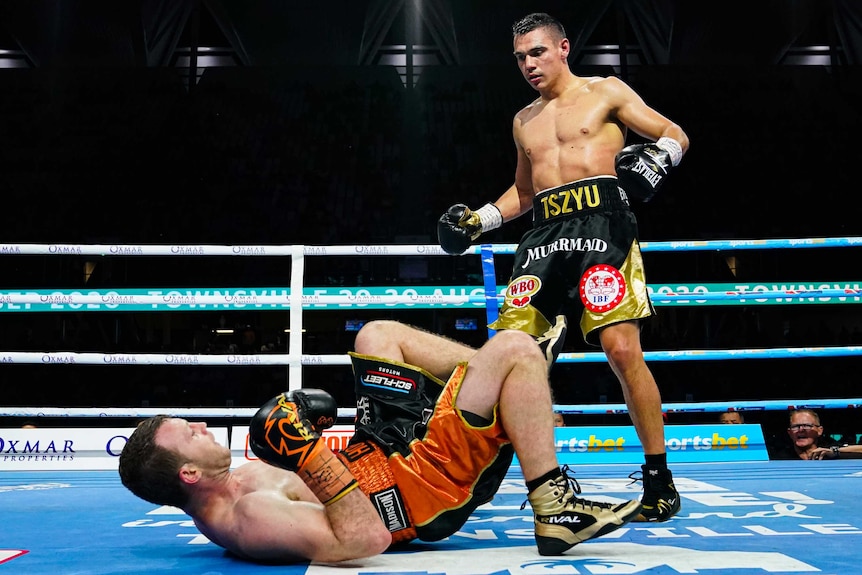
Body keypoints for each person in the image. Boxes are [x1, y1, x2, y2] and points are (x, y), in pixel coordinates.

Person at [436, 12, 689, 522]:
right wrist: (479, 221)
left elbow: (674, 132)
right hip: (542, 238)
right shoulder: (523, 119)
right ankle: (472, 477)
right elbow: (525, 194)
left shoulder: (607, 91)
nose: (528, 64)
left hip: (603, 227)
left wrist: (660, 156)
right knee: (510, 354)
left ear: (563, 48)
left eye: (537, 52)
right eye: (520, 57)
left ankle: (659, 479)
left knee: (621, 350)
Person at [118, 320, 642, 564]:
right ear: (188, 474)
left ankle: (503, 388)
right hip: (421, 489)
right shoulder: (252, 519)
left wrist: (323, 449)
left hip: (375, 455)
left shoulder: (231, 487)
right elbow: (365, 539)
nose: (204, 427)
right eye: (191, 434)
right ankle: (552, 503)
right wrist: (311, 454)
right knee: (516, 347)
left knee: (376, 336)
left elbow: (327, 480)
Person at [769, 409, 840, 460]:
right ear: (790, 433)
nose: (801, 430)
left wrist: (835, 452)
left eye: (807, 425)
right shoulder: (779, 458)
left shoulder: (830, 450)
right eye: (795, 426)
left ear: (819, 430)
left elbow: (851, 448)